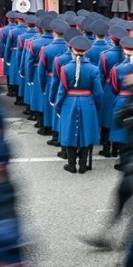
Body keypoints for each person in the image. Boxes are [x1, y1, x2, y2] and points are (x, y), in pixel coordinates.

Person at [55, 36, 103, 174]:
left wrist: (58, 106)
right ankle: (82, 165)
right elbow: (98, 92)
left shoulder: (65, 68)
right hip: (88, 103)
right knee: (86, 133)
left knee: (70, 132)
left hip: (69, 102)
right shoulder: (94, 69)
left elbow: (61, 91)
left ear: (72, 50)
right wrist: (97, 105)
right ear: (86, 51)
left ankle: (71, 165)